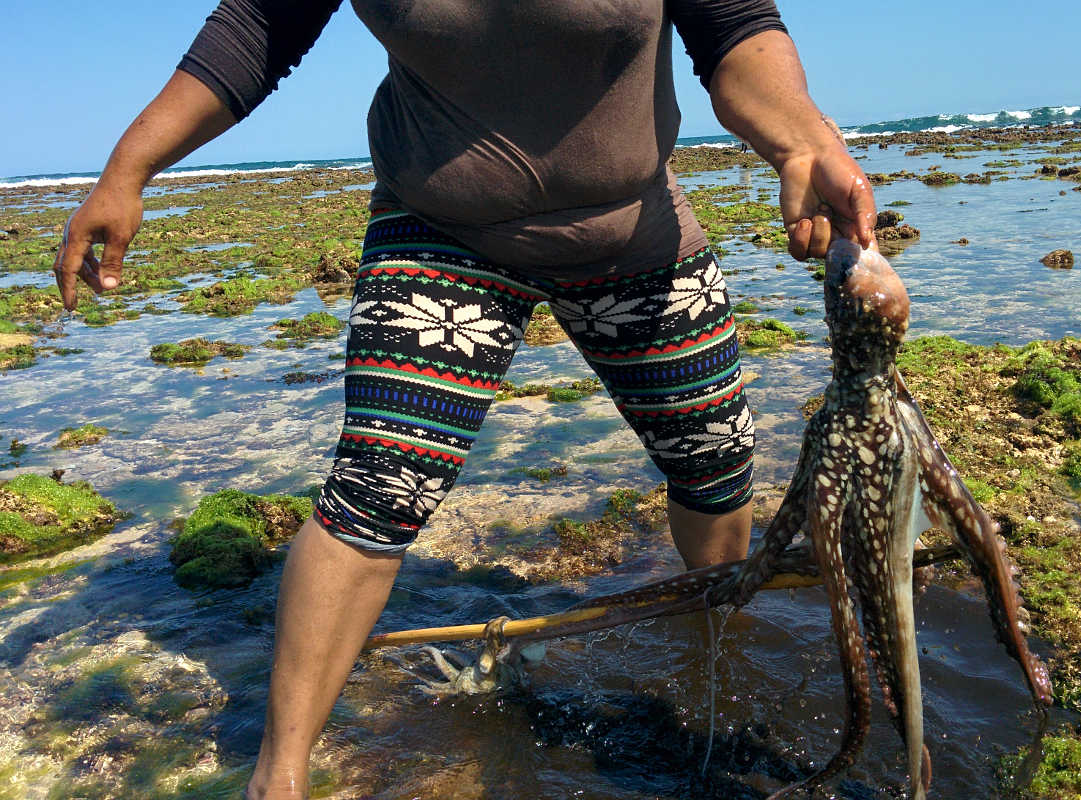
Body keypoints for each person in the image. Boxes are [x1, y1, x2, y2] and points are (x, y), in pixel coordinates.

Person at [54, 1, 876, 796]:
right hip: (441, 228)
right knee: (377, 487)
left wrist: (801, 142)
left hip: (632, 230)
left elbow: (733, 32)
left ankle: (712, 648)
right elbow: (255, 32)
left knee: (716, 468)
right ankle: (281, 777)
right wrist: (128, 170)